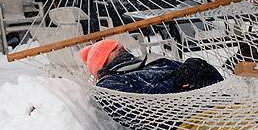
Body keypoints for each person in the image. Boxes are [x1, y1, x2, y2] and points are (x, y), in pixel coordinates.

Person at [79, 39, 223, 94]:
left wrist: (197, 66)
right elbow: (146, 102)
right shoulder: (110, 84)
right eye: (114, 49)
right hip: (189, 119)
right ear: (103, 61)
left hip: (217, 98)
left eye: (120, 47)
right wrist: (178, 81)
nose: (122, 49)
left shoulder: (153, 61)